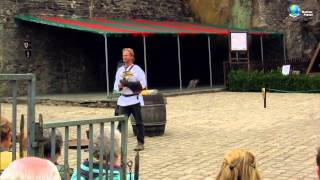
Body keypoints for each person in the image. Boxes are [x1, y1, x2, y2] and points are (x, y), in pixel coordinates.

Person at [113, 48, 146, 151]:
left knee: (138, 122)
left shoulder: (137, 69)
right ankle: (116, 144)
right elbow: (115, 87)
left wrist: (127, 84)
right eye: (123, 55)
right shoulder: (120, 70)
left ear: (132, 57)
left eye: (126, 55)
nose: (124, 57)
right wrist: (120, 87)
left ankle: (140, 143)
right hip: (123, 100)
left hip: (134, 100)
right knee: (121, 123)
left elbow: (142, 85)